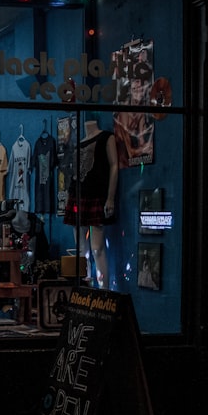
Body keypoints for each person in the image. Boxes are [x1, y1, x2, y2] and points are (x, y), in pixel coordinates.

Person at [64, 118, 118, 289]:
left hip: (97, 195)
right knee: (81, 250)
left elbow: (114, 166)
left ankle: (104, 291)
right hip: (78, 195)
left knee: (97, 248)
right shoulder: (79, 144)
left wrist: (110, 197)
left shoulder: (106, 138)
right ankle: (85, 289)